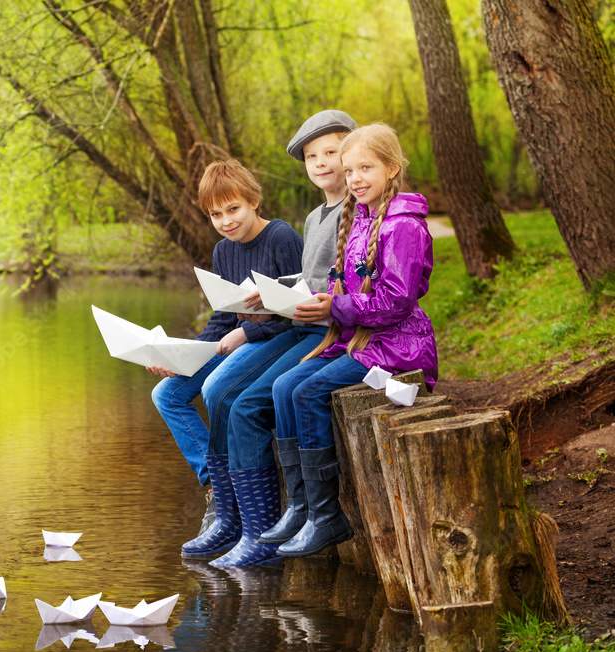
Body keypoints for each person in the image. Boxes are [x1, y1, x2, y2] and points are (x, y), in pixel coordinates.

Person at [182, 110, 359, 566]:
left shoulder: (355, 211)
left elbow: (346, 280)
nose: (320, 163)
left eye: (331, 152)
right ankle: (234, 516)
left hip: (319, 330)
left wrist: (262, 314)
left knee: (241, 398)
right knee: (210, 388)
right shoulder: (315, 217)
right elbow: (312, 277)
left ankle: (267, 527)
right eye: (311, 157)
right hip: (301, 321)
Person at [268, 122, 438, 560]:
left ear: (392, 167)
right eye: (350, 170)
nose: (356, 178)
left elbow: (397, 301)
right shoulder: (359, 217)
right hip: (357, 336)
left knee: (307, 392)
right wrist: (317, 300)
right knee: (284, 386)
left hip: (396, 345)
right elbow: (344, 281)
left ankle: (327, 516)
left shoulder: (402, 226)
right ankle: (303, 505)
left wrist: (335, 309)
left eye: (366, 167)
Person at [149, 159, 303, 536]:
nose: (226, 220)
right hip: (236, 340)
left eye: (233, 209)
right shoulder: (223, 251)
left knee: (220, 390)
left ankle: (242, 499)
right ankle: (217, 486)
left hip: (279, 339)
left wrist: (246, 335)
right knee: (166, 394)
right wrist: (183, 356)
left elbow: (300, 311)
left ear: (253, 201)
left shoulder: (282, 239)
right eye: (216, 214)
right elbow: (222, 319)